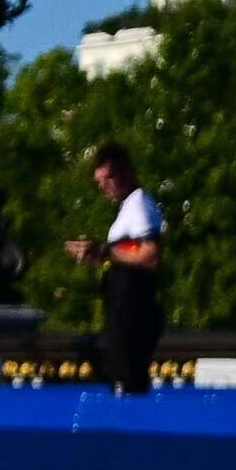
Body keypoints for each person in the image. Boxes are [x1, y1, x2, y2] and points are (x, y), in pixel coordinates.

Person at [63, 142, 166, 396]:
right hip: (120, 307)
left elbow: (149, 255)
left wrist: (105, 251)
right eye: (100, 182)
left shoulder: (139, 204)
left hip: (132, 308)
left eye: (110, 178)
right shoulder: (127, 209)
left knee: (126, 376)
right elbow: (127, 252)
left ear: (126, 173)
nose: (105, 187)